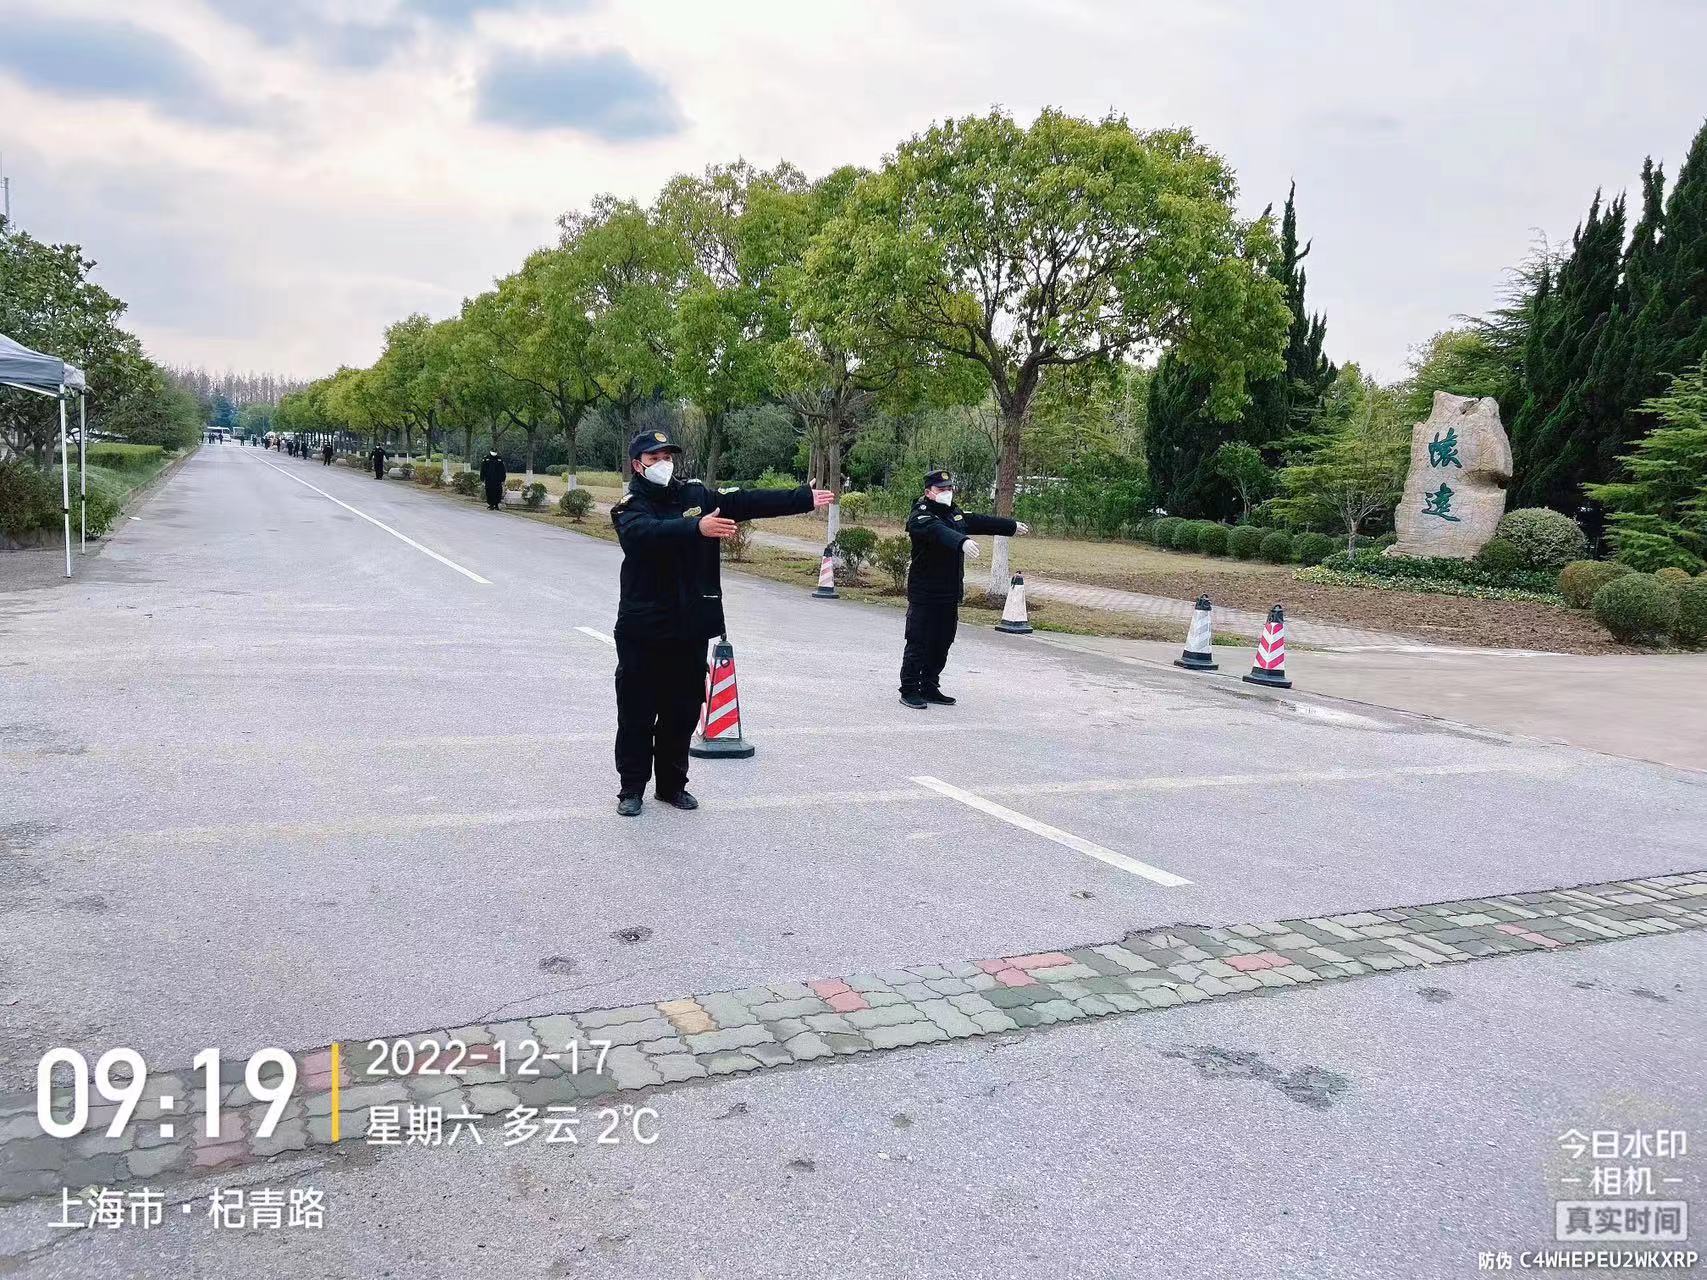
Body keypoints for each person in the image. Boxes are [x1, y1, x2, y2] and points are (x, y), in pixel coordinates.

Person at [610, 429, 833, 817]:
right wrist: (695, 528)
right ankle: (631, 789)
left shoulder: (694, 495)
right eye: (654, 458)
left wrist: (800, 498)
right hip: (643, 626)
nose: (663, 464)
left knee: (683, 711)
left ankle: (672, 786)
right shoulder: (629, 507)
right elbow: (643, 535)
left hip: (689, 624)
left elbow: (744, 500)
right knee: (637, 712)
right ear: (637, 465)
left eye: (667, 457)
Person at [898, 469, 1029, 709]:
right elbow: (939, 532)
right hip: (925, 592)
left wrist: (1010, 526)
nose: (947, 492)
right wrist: (963, 541)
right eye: (941, 489)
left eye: (949, 488)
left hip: (949, 591)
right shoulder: (920, 516)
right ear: (928, 492)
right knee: (919, 641)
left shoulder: (953, 513)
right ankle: (909, 689)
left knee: (942, 641)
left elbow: (979, 520)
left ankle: (929, 686)